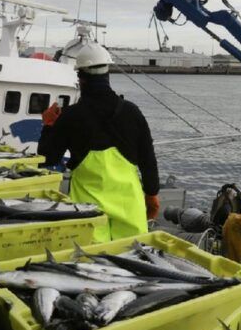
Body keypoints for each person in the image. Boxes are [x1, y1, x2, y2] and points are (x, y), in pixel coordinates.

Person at [38, 43, 159, 242]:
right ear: (107, 74)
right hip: (129, 206)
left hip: (86, 210)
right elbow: (148, 158)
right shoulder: (132, 112)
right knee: (132, 259)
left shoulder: (70, 116)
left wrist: (49, 125)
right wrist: (152, 193)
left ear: (81, 78)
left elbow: (47, 158)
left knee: (90, 263)